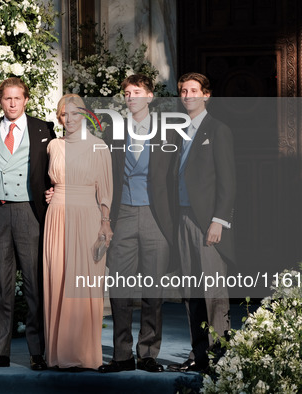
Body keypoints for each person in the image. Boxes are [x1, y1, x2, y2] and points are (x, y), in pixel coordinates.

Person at [98, 74, 179, 373]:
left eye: (137, 92)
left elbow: (177, 177)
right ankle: (121, 355)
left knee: (153, 291)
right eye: (127, 93)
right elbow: (102, 175)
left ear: (149, 96)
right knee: (119, 290)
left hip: (156, 218)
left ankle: (147, 353)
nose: (131, 97)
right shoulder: (114, 133)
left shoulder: (168, 132)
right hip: (124, 216)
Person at [0, 77, 56, 371]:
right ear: (0, 101)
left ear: (26, 100)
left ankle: (38, 351)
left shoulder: (43, 128)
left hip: (28, 213)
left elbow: (56, 165)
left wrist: (56, 188)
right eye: (7, 99)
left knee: (35, 286)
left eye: (17, 98)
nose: (12, 104)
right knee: (1, 286)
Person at [167, 72, 235, 373]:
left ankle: (221, 358)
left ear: (206, 95)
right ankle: (199, 356)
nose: (188, 95)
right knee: (192, 290)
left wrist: (219, 220)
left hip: (208, 223)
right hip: (182, 218)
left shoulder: (218, 130)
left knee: (214, 291)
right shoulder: (178, 131)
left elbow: (228, 181)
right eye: (183, 90)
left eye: (193, 90)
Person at [43, 94, 113, 370]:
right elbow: (46, 181)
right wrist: (50, 192)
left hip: (87, 217)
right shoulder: (52, 146)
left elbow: (105, 191)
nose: (69, 120)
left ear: (84, 115)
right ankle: (58, 354)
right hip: (57, 216)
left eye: (74, 114)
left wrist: (105, 223)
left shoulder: (99, 146)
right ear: (59, 117)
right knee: (57, 279)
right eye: (64, 115)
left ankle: (84, 353)